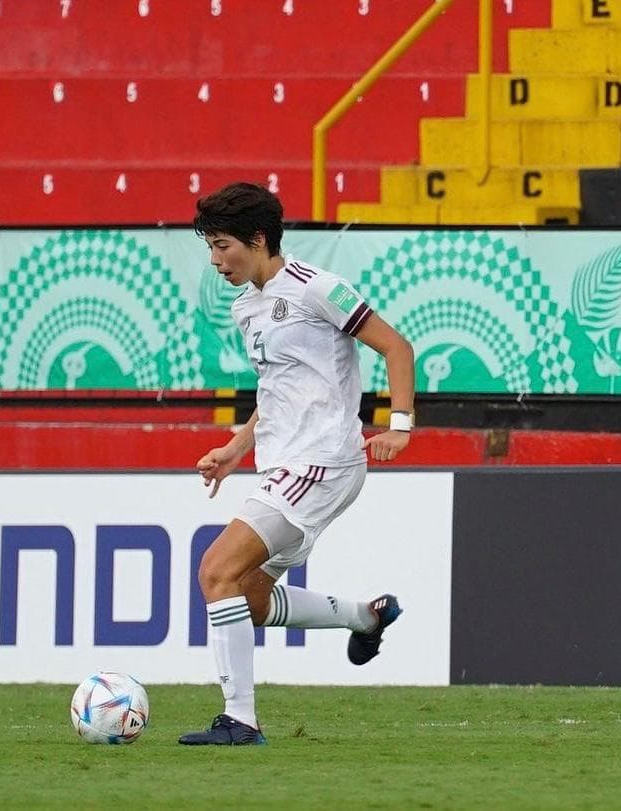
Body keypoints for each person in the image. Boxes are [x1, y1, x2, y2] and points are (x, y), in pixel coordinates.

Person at [178, 182, 415, 746]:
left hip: (322, 461)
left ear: (258, 239)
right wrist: (236, 449)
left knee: (216, 570)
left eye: (222, 246)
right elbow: (280, 388)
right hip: (284, 464)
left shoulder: (317, 289)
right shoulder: (245, 307)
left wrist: (399, 428)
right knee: (249, 599)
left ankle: (240, 721)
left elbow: (397, 347)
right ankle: (366, 617)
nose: (215, 261)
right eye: (210, 248)